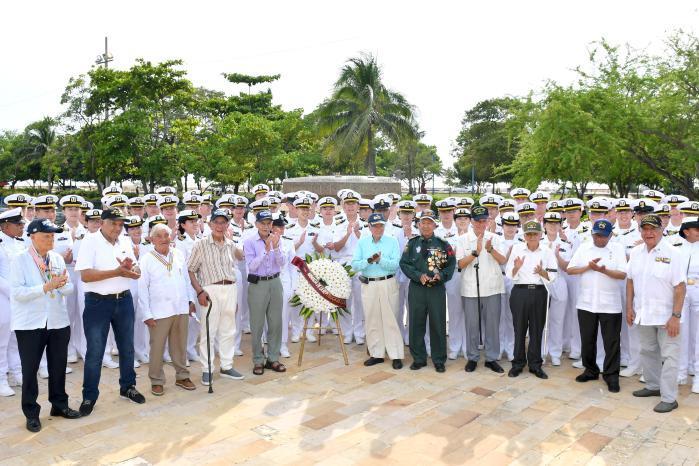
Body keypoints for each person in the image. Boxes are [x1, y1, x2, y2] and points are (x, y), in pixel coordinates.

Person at [11, 218, 80, 432]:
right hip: (30, 324)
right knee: (30, 371)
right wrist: (46, 286)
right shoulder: (20, 260)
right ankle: (31, 413)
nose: (51, 239)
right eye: (46, 236)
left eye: (52, 236)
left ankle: (59, 405)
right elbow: (17, 293)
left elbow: (68, 290)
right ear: (32, 237)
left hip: (58, 321)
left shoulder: (57, 258)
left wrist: (62, 284)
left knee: (58, 367)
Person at [75, 208, 145, 417]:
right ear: (102, 222)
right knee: (95, 351)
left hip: (123, 299)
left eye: (120, 224)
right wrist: (116, 272)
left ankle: (128, 386)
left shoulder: (124, 241)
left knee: (127, 348)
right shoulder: (90, 241)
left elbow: (136, 270)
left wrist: (132, 271)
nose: (117, 227)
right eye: (113, 223)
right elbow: (86, 276)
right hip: (98, 303)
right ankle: (89, 396)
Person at [626, 214, 687, 413]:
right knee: (647, 351)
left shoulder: (673, 253)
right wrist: (629, 308)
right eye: (645, 229)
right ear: (641, 231)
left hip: (667, 317)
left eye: (653, 229)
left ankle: (669, 398)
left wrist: (675, 316)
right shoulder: (636, 252)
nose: (649, 233)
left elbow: (680, 287)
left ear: (662, 230)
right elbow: (630, 281)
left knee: (669, 356)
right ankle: (653, 386)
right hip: (644, 313)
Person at [567, 219, 628, 393]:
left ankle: (611, 375)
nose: (599, 239)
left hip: (610, 304)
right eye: (596, 235)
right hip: (586, 303)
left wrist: (603, 270)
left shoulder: (617, 249)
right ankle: (590, 370)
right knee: (587, 339)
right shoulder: (585, 247)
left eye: (602, 236)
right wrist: (588, 267)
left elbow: (623, 274)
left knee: (612, 342)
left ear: (610, 235)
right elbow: (570, 270)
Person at [138, 224, 197, 396]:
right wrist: (147, 314)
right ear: (152, 239)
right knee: (157, 347)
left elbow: (186, 279)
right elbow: (142, 289)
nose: (165, 239)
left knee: (179, 344)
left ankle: (182, 376)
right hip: (159, 311)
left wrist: (190, 300)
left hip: (180, 308)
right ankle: (156, 380)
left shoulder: (177, 254)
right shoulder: (146, 259)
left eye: (167, 235)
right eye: (160, 236)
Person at [188, 208, 244, 385]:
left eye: (223, 222)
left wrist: (235, 240)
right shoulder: (201, 244)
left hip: (230, 288)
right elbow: (190, 270)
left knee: (228, 330)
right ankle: (207, 369)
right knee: (208, 331)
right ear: (210, 224)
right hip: (210, 290)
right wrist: (199, 292)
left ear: (228, 224)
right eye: (217, 222)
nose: (220, 226)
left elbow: (241, 258)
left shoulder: (230, 244)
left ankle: (227, 366)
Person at [399, 210, 456, 373]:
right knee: (416, 323)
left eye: (429, 222)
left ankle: (439, 359)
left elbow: (451, 265)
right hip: (417, 288)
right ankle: (419, 358)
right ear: (418, 224)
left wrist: (441, 275)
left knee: (438, 324)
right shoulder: (412, 243)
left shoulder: (443, 244)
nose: (425, 225)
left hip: (436, 290)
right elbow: (404, 264)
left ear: (434, 225)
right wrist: (418, 276)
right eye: (423, 222)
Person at [456, 205, 507, 373]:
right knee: (471, 325)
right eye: (477, 221)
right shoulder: (463, 240)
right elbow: (460, 264)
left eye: (483, 221)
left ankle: (491, 358)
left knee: (492, 324)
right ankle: (472, 357)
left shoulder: (495, 238)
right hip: (471, 288)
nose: (480, 225)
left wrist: (490, 249)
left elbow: (502, 260)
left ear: (488, 221)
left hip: (492, 288)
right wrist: (475, 252)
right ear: (471, 221)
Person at [505, 221, 558, 379]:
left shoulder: (547, 252)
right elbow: (509, 274)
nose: (532, 237)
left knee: (537, 330)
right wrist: (517, 267)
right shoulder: (517, 249)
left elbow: (553, 276)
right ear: (524, 236)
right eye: (529, 234)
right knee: (519, 329)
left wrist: (542, 272)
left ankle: (535, 365)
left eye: (535, 234)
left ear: (541, 235)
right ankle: (518, 363)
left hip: (539, 292)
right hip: (520, 292)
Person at [351, 213, 404, 369]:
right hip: (369, 284)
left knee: (391, 319)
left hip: (387, 282)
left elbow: (395, 265)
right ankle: (376, 354)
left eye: (381, 225)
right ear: (369, 227)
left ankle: (395, 355)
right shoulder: (363, 242)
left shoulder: (392, 241)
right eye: (375, 225)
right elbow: (355, 265)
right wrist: (369, 260)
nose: (378, 228)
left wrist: (380, 260)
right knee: (372, 319)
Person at [244, 210, 287, 376]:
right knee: (257, 324)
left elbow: (282, 262)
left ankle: (273, 358)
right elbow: (252, 266)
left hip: (275, 282)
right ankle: (257, 359)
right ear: (256, 225)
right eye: (262, 223)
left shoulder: (277, 239)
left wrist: (275, 247)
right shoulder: (249, 242)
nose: (266, 226)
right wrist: (266, 249)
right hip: (258, 284)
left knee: (276, 322)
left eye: (269, 223)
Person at [0, 208, 27, 396]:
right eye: (18, 225)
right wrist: (12, 291)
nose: (22, 227)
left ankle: (17, 372)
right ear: (5, 226)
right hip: (3, 297)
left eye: (22, 224)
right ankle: (1, 378)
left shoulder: (21, 243)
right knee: (1, 340)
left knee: (17, 338)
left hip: (20, 297)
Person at [678, 216, 699, 393]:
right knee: (682, 333)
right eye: (696, 229)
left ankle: (698, 375)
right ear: (686, 231)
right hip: (682, 292)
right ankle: (681, 372)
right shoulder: (676, 248)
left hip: (698, 290)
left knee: (698, 334)